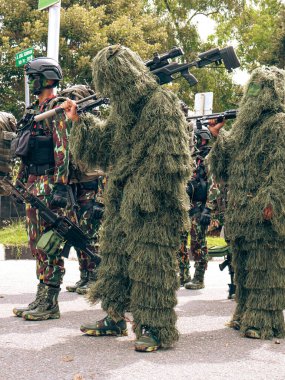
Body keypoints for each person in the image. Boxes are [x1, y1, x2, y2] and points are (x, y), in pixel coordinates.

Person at [63, 44, 192, 352]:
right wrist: (80, 122)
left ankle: (155, 328)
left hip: (154, 206)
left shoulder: (161, 102)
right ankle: (115, 315)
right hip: (123, 201)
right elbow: (104, 150)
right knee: (116, 260)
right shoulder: (124, 111)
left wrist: (140, 191)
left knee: (152, 266)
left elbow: (171, 159)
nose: (112, 90)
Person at [209, 66, 285, 339]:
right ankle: (244, 313)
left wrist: (272, 202)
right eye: (250, 88)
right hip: (241, 211)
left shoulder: (279, 123)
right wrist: (218, 137)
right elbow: (226, 167)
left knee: (266, 267)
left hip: (263, 211)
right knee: (242, 265)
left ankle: (265, 320)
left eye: (259, 88)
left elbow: (280, 167)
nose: (252, 94)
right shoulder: (243, 128)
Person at [12, 57, 71, 321]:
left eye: (34, 77)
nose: (30, 81)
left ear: (46, 78)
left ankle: (51, 301)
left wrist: (60, 185)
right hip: (33, 184)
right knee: (36, 244)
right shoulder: (33, 111)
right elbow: (26, 151)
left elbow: (62, 149)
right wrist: (21, 181)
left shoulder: (56, 108)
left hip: (49, 183)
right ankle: (41, 295)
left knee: (49, 244)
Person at [184, 120, 224, 290]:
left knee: (198, 242)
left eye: (194, 138)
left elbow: (215, 184)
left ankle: (199, 276)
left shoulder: (209, 159)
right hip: (188, 205)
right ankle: (183, 273)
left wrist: (208, 209)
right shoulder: (192, 158)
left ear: (202, 139)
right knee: (182, 242)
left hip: (201, 207)